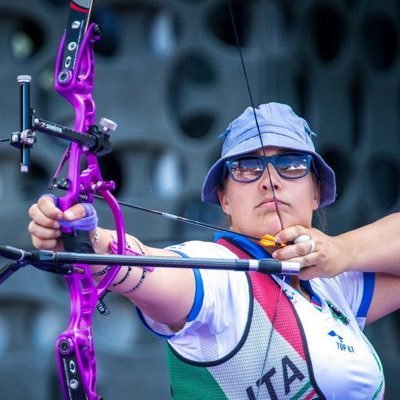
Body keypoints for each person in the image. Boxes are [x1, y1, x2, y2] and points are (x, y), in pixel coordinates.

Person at [28, 102, 399, 399]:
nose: (270, 180)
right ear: (224, 198)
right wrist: (89, 241)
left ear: (316, 192)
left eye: (291, 165)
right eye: (247, 168)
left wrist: (342, 252)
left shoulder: (332, 285)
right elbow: (154, 269)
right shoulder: (222, 276)